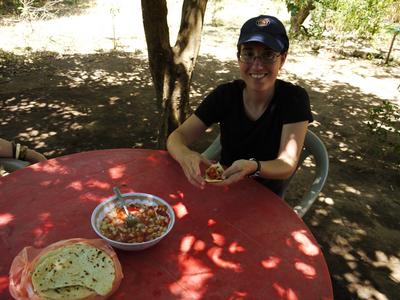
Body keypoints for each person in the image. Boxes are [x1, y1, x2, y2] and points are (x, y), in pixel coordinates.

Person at [166, 15, 313, 196]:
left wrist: (253, 166)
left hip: (265, 197)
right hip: (223, 187)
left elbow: (286, 164)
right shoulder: (225, 95)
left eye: (268, 55)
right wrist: (185, 154)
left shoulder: (294, 99)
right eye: (248, 54)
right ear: (238, 57)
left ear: (282, 59)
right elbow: (177, 136)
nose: (257, 65)